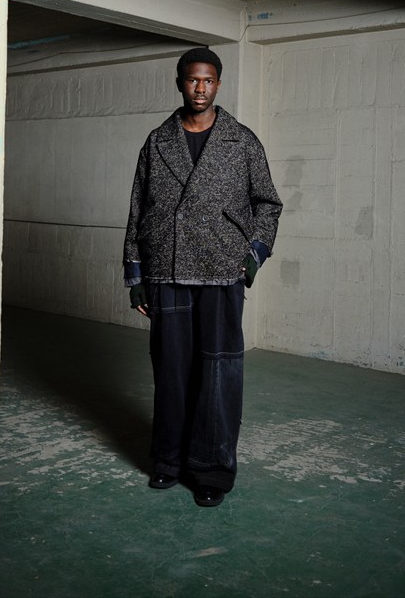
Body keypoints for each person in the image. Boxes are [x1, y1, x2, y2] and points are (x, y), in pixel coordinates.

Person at [123, 47, 282, 507]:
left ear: (218, 84)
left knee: (217, 373)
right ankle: (168, 461)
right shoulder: (158, 141)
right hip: (167, 268)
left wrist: (252, 256)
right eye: (193, 80)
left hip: (221, 271)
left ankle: (211, 469)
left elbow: (268, 204)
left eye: (208, 80)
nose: (200, 88)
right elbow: (138, 209)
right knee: (171, 371)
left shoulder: (242, 140)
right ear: (180, 83)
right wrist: (136, 274)